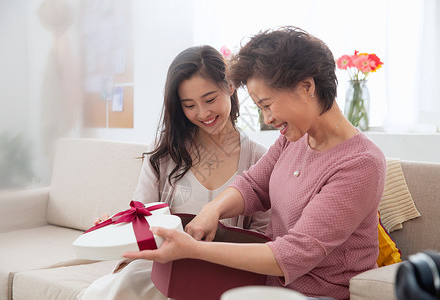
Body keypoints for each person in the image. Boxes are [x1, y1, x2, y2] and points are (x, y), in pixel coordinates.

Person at [123, 26, 387, 300]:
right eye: (260, 108)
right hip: (263, 286)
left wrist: (193, 250)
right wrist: (212, 210)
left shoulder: (361, 163)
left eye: (267, 104)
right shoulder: (294, 137)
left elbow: (294, 253)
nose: (267, 119)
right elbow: (253, 185)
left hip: (314, 294)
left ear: (306, 86)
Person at [78, 45, 269, 300]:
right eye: (189, 105)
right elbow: (143, 219)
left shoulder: (260, 158)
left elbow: (262, 239)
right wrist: (116, 228)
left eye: (210, 99)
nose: (203, 113)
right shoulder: (164, 152)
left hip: (225, 273)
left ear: (230, 86)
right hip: (162, 269)